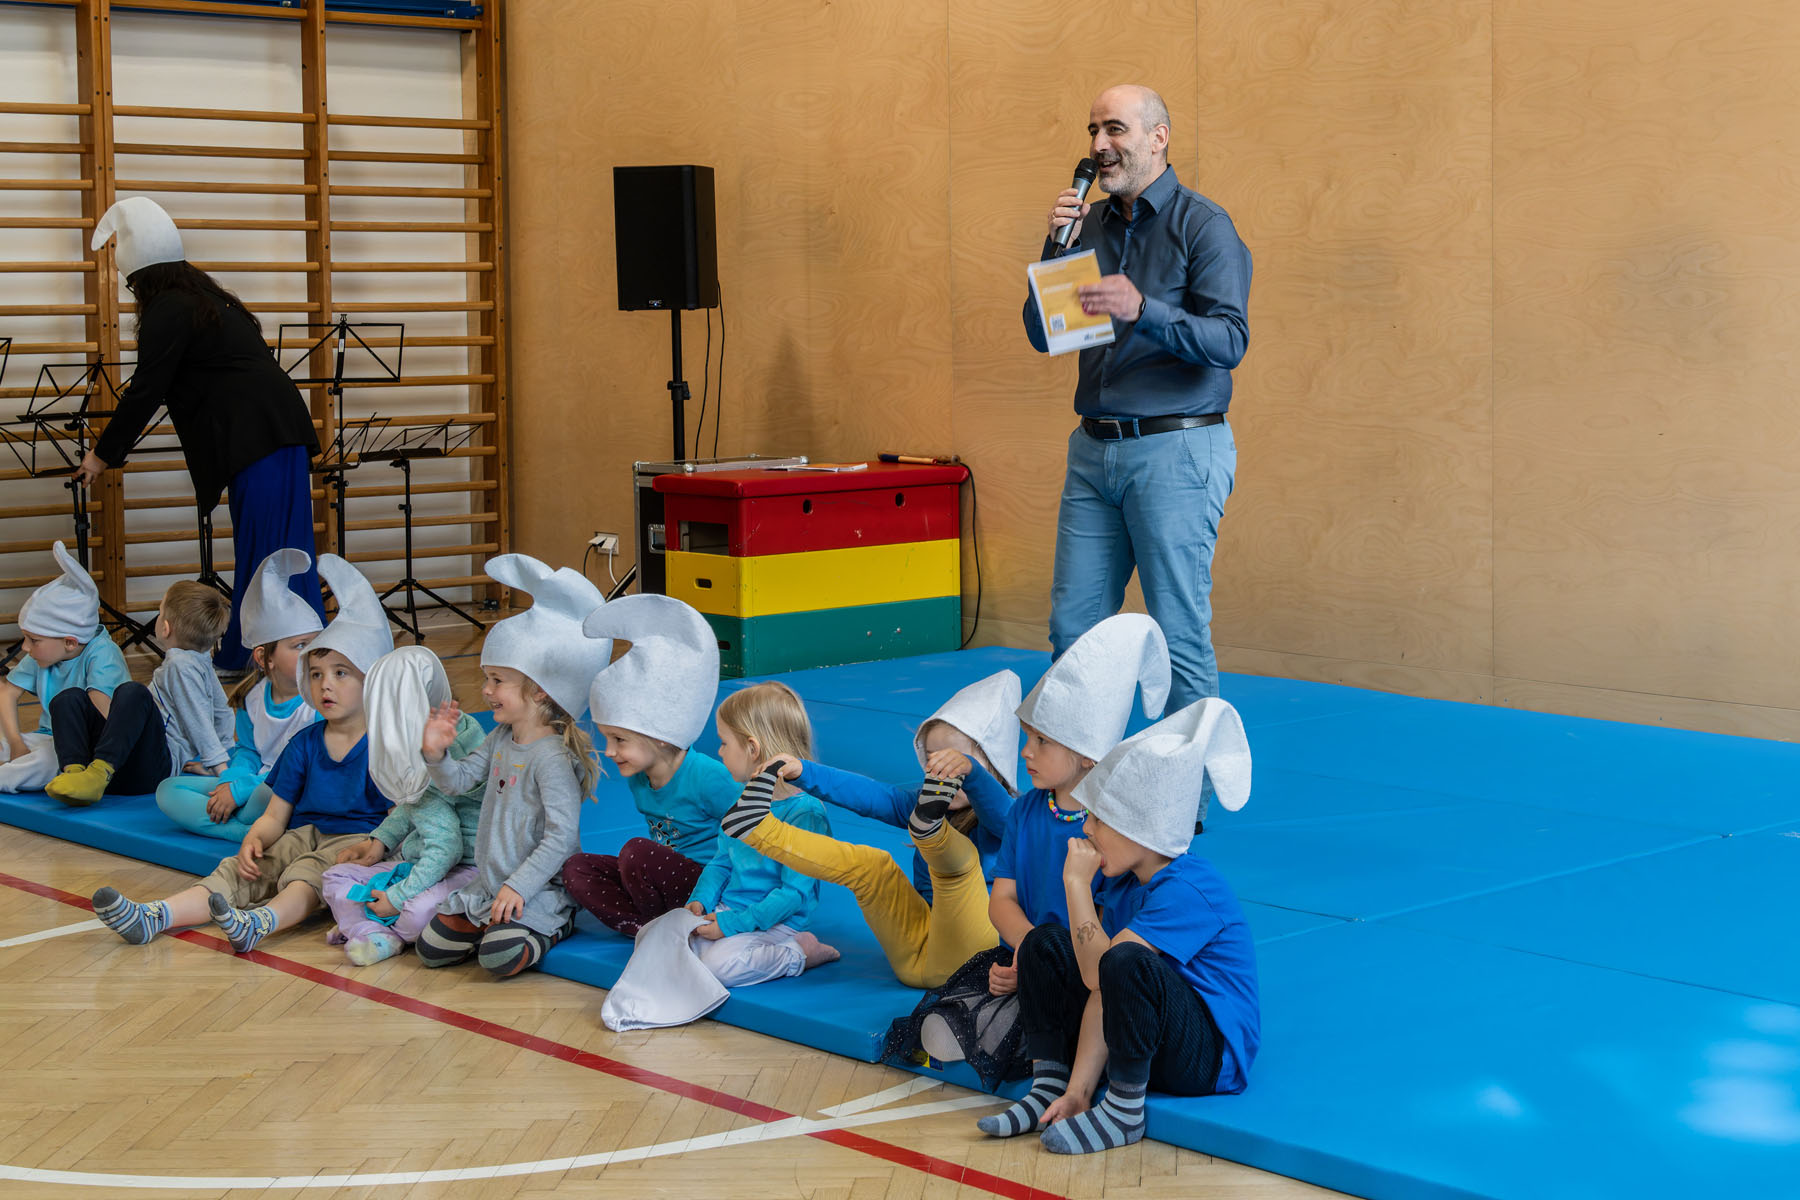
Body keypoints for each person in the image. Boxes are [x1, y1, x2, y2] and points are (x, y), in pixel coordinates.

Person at [1024, 84, 1252, 715]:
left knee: (1177, 635)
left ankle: (1185, 781)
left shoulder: (1203, 226)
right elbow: (1045, 334)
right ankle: (1074, 775)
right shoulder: (1088, 225)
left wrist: (1143, 309)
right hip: (1093, 452)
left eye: (1115, 129)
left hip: (1176, 451)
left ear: (1158, 137)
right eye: (1093, 130)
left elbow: (1229, 340)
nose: (1099, 144)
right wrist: (1056, 246)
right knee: (1073, 632)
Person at [885, 615, 1170, 1087]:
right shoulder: (1025, 811)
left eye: (1041, 741)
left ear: (1087, 754)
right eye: (1026, 738)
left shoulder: (1113, 834)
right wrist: (1027, 952)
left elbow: (1107, 931)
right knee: (940, 1032)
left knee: (1011, 1033)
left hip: (1084, 970)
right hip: (1021, 953)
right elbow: (1002, 900)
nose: (1025, 753)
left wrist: (1041, 968)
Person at [977, 697, 1258, 1155]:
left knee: (1124, 959)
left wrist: (1075, 884)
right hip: (1138, 1036)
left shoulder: (1190, 887)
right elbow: (1099, 991)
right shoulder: (1123, 881)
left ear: (1142, 829)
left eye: (1099, 819)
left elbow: (1105, 972)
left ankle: (1126, 1111)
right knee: (1045, 942)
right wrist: (1079, 1092)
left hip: (1205, 1060)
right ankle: (1052, 1085)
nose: (1086, 829)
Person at [89, 555, 395, 950]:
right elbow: (276, 814)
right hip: (301, 831)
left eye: (340, 673)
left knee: (307, 875)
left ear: (370, 681)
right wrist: (255, 837)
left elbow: (398, 816)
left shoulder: (383, 745)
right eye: (317, 674)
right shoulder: (304, 743)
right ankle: (156, 915)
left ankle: (260, 923)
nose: (325, 685)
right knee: (238, 869)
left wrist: (378, 846)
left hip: (353, 839)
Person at [78, 197, 322, 671]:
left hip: (260, 438)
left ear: (141, 276)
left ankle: (260, 655)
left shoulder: (169, 307)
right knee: (284, 549)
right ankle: (291, 652)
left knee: (269, 553)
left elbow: (146, 390)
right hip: (278, 432)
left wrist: (100, 456)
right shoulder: (201, 298)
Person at [722, 671, 1020, 992]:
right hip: (918, 956)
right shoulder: (921, 805)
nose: (942, 774)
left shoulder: (1012, 819)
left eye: (954, 764)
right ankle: (759, 828)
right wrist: (803, 771)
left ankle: (932, 833)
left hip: (973, 959)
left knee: (959, 864)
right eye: (934, 763)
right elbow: (869, 794)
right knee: (872, 866)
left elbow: (1001, 814)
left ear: (991, 765)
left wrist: (971, 773)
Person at [414, 554, 611, 980]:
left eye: (497, 680)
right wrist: (436, 755)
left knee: (499, 958)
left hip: (537, 887)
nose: (486, 690)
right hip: (492, 883)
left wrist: (519, 886)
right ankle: (494, 919)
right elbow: (458, 782)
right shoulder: (500, 738)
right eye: (487, 678)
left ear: (539, 690)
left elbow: (562, 837)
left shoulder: (552, 758)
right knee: (431, 948)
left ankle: (556, 922)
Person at [561, 594, 742, 938]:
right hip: (662, 878)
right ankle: (644, 927)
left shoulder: (707, 777)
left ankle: (667, 923)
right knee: (576, 867)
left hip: (710, 886)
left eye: (619, 739)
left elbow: (752, 832)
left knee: (636, 852)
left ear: (659, 736)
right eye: (607, 738)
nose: (609, 751)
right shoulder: (640, 778)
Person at [322, 646, 487, 965]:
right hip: (426, 861)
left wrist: (397, 897)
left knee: (414, 915)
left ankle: (370, 929)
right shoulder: (459, 727)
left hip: (469, 867)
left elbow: (446, 846)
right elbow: (417, 805)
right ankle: (371, 926)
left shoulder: (432, 751)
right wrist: (380, 841)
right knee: (335, 876)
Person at [155, 549, 322, 840]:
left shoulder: (319, 703)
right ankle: (245, 831)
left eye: (315, 644)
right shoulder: (252, 697)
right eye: (299, 645)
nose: (311, 653)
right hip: (252, 783)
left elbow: (303, 769)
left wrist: (240, 790)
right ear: (264, 658)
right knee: (168, 791)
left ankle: (250, 824)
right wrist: (230, 781)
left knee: (264, 795)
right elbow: (248, 751)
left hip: (289, 787)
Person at [697, 682, 839, 985]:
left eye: (723, 743)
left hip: (777, 921)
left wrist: (732, 924)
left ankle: (801, 952)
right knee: (672, 947)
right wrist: (700, 902)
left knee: (716, 968)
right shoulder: (741, 799)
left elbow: (793, 894)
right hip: (732, 908)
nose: (719, 752)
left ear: (752, 748)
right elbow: (721, 862)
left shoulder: (805, 814)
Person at [46, 579, 232, 805]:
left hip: (148, 773)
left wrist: (220, 770)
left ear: (165, 628)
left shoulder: (180, 665)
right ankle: (75, 775)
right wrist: (224, 756)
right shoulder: (200, 660)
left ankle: (98, 774)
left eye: (160, 612)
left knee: (134, 693)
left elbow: (198, 719)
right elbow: (223, 712)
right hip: (127, 762)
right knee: (70, 698)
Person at [0, 542, 131, 794]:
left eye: (33, 640)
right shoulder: (46, 653)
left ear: (70, 642)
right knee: (13, 748)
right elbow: (7, 692)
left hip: (83, 748)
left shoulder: (103, 655)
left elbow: (100, 721)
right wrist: (16, 744)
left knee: (44, 762)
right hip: (47, 736)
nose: (25, 647)